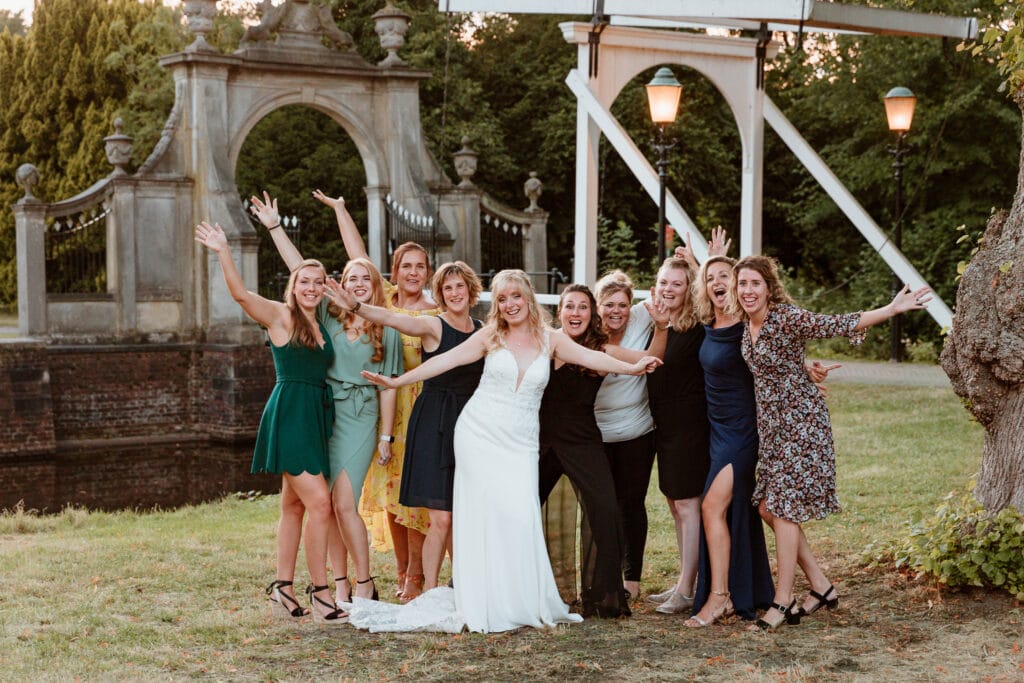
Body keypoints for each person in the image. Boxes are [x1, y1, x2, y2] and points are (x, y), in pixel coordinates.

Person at [353, 270, 662, 633]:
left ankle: (520, 597)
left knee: (519, 515)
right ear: (496, 305)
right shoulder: (491, 335)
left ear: (528, 298)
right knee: (485, 516)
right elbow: (444, 361)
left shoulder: (551, 340)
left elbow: (595, 359)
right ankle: (485, 597)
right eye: (502, 299)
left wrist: (633, 367)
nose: (510, 304)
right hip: (479, 433)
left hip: (521, 441)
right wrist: (398, 380)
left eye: (515, 296)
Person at [731, 255, 931, 630]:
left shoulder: (785, 317)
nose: (748, 290)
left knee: (784, 508)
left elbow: (837, 323)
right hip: (773, 428)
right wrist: (805, 367)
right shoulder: (746, 325)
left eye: (755, 283)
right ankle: (822, 587)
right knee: (766, 509)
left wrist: (891, 308)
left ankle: (783, 599)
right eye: (742, 284)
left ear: (768, 287)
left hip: (802, 424)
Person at [249, 192, 411, 604]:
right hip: (324, 412)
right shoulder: (327, 313)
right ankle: (340, 586)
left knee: (343, 500)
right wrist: (274, 228)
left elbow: (387, 385)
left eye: (365, 278)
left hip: (360, 416)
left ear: (376, 286)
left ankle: (364, 583)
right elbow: (300, 271)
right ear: (342, 283)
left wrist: (385, 437)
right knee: (328, 505)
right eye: (351, 277)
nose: (357, 283)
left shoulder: (385, 325)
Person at [193, 222, 346, 623]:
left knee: (293, 506)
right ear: (293, 286)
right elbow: (241, 295)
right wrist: (224, 251)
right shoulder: (280, 316)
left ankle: (282, 588)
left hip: (314, 416)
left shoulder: (322, 322)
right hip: (291, 414)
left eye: (317, 282)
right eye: (304, 282)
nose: (311, 288)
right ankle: (321, 593)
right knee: (320, 503)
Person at [330, 261, 484, 593]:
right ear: (440, 295)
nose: (455, 293)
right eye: (447, 288)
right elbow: (393, 318)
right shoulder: (432, 325)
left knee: (461, 516)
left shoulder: (485, 330)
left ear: (471, 290)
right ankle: (427, 590)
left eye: (460, 286)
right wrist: (356, 306)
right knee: (440, 517)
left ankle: (465, 586)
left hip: (471, 427)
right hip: (434, 423)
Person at [313, 190, 435, 602]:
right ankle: (400, 571)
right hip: (383, 405)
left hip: (416, 406)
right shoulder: (381, 301)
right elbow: (357, 256)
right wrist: (341, 210)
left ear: (428, 273)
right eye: (406, 266)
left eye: (421, 267)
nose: (413, 273)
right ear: (395, 272)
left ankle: (417, 575)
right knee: (391, 495)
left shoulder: (435, 310)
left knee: (419, 496)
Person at [538, 284, 669, 618]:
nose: (576, 313)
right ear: (560, 312)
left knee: (606, 509)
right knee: (520, 508)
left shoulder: (601, 348)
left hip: (582, 441)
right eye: (570, 306)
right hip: (541, 443)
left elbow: (647, 359)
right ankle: (527, 587)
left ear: (590, 314)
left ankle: (605, 595)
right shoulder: (544, 342)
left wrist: (662, 329)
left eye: (583, 307)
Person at [643, 256, 711, 615]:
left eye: (677, 284)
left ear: (689, 290)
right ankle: (686, 578)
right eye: (664, 283)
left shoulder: (698, 324)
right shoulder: (656, 321)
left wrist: (705, 260)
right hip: (664, 424)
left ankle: (687, 589)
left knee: (688, 505)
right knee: (675, 504)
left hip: (690, 424)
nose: (668, 290)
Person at [593, 271, 658, 602]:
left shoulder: (641, 318)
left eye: (622, 304)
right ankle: (604, 575)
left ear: (631, 306)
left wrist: (700, 259)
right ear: (597, 306)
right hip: (596, 435)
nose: (616, 311)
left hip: (637, 432)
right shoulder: (584, 330)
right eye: (608, 304)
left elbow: (674, 288)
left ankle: (631, 579)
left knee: (631, 504)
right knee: (604, 506)